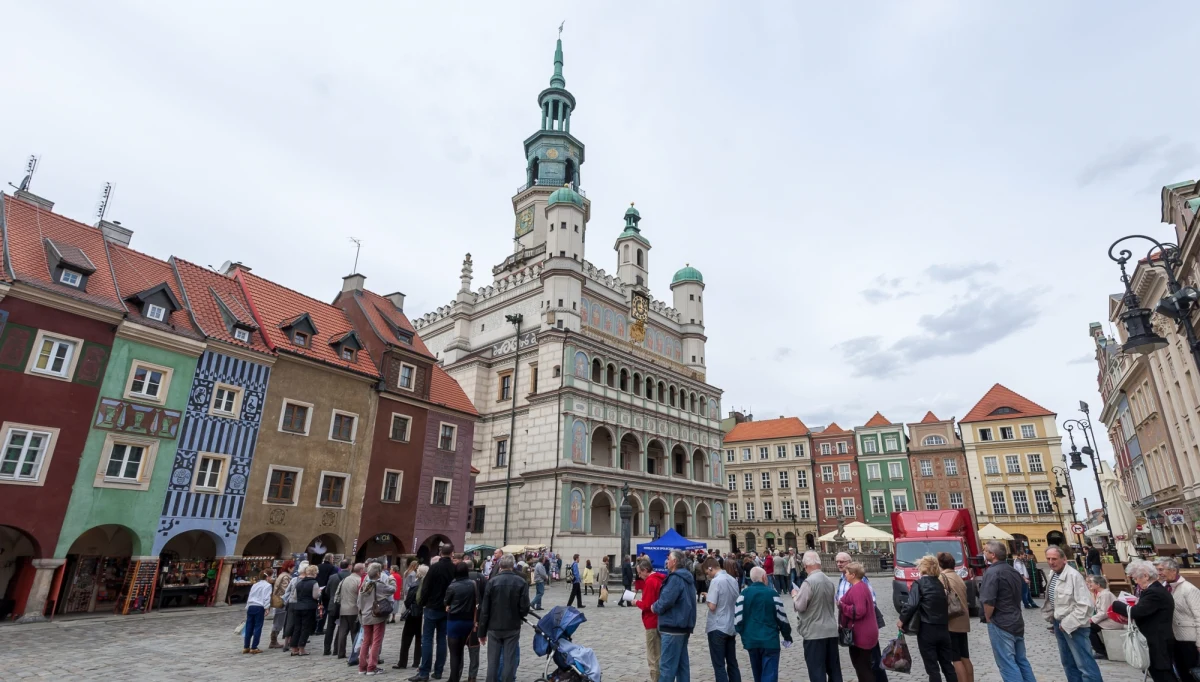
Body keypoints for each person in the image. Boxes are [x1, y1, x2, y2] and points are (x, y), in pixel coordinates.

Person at [1041, 545, 1102, 682]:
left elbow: (1086, 605)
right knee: (1068, 663)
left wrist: (1068, 623)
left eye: (1054, 558)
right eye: (1048, 558)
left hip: (1075, 625)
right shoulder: (1053, 574)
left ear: (1064, 559)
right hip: (1059, 623)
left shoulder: (1074, 576)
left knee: (1085, 664)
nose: (1051, 562)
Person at [979, 541, 1036, 682]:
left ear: (993, 555)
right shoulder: (1013, 571)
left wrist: (988, 617)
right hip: (1016, 620)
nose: (983, 553)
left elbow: (989, 600)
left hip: (1001, 622)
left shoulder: (992, 572)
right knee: (1021, 660)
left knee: (1007, 663)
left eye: (986, 551)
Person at [1113, 559, 1176, 682]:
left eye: (1136, 578)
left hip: (1158, 641)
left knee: (1163, 675)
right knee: (1159, 673)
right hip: (1156, 639)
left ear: (1146, 576)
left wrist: (1116, 604)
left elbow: (1137, 612)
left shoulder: (1154, 592)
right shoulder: (1154, 590)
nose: (1136, 582)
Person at [898, 555, 957, 682]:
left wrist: (902, 619)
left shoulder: (919, 584)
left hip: (927, 628)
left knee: (932, 667)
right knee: (947, 665)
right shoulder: (940, 583)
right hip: (943, 627)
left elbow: (912, 604)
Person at [479, 554, 530, 682]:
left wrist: (482, 632)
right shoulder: (521, 582)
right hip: (512, 626)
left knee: (493, 661)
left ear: (500, 566)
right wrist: (519, 614)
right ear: (513, 566)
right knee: (509, 659)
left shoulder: (492, 582)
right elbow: (525, 608)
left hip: (494, 626)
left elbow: (485, 609)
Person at [735, 565, 791, 682]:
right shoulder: (772, 594)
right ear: (764, 577)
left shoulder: (743, 595)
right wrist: (787, 636)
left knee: (758, 675)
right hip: (770, 640)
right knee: (769, 675)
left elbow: (738, 620)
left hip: (752, 640)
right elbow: (782, 618)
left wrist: (745, 636)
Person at [793, 550, 841, 682]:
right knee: (834, 670)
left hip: (814, 632)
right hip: (830, 630)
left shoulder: (809, 582)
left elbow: (800, 606)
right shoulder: (829, 580)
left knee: (817, 671)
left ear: (806, 565)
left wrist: (794, 596)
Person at [653, 549, 698, 682]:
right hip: (683, 627)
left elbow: (665, 601)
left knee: (667, 667)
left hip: (673, 626)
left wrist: (654, 606)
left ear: (675, 562)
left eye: (669, 558)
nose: (667, 560)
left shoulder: (675, 579)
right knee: (682, 666)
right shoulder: (687, 577)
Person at [412, 545, 455, 682]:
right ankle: (438, 671)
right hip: (447, 608)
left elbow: (426, 588)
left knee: (427, 640)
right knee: (442, 640)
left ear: (441, 553)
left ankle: (424, 672)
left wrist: (422, 603)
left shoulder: (434, 568)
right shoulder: (454, 568)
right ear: (452, 553)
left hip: (432, 607)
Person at [1156, 557, 1200, 682]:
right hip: (1174, 638)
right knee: (1182, 673)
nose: (1159, 573)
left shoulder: (1189, 589)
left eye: (1161, 569)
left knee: (1192, 674)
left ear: (1173, 570)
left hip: (1189, 640)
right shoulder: (1165, 587)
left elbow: (1199, 616)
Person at [838, 562, 879, 682]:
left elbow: (859, 611)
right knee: (864, 667)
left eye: (846, 573)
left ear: (853, 574)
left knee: (863, 669)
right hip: (866, 631)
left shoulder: (858, 589)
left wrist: (842, 606)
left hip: (861, 633)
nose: (845, 575)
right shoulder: (861, 586)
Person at [704, 557, 743, 682]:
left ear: (710, 568)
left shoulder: (716, 581)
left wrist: (707, 597)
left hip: (717, 625)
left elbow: (712, 606)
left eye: (707, 572)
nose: (708, 575)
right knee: (732, 662)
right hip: (731, 625)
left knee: (719, 664)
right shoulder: (732, 579)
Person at [937, 552, 972, 682]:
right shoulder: (958, 577)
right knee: (965, 657)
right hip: (963, 621)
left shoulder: (942, 578)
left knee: (955, 659)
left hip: (952, 622)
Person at [445, 561, 479, 682]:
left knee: (455, 653)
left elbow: (446, 602)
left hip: (454, 621)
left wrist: (448, 606)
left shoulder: (452, 586)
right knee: (467, 649)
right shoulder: (473, 584)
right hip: (468, 621)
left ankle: (454, 678)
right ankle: (470, 675)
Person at [635, 557, 666, 682]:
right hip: (660, 620)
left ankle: (656, 679)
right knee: (660, 653)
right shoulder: (660, 579)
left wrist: (636, 602)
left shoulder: (650, 581)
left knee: (653, 656)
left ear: (645, 570)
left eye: (639, 572)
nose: (639, 575)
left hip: (651, 621)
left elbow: (647, 605)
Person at [357, 562, 391, 676]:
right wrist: (392, 580)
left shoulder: (364, 585)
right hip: (377, 615)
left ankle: (362, 667)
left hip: (366, 615)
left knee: (365, 641)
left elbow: (359, 603)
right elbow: (392, 589)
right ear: (378, 573)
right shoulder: (379, 584)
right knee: (376, 642)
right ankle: (371, 667)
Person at [396, 563, 427, 669]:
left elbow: (408, 600)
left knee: (406, 638)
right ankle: (416, 661)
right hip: (422, 614)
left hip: (413, 613)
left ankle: (402, 662)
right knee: (419, 638)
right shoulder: (427, 584)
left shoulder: (415, 584)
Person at [1086, 575, 1120, 659]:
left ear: (1098, 585)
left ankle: (1100, 651)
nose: (1090, 584)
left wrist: (1092, 620)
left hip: (1112, 621)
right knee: (1089, 627)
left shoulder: (1105, 595)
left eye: (1092, 582)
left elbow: (1104, 612)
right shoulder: (1102, 594)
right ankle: (1100, 649)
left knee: (1089, 629)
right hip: (1107, 619)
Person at [291, 564, 321, 656]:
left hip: (297, 607)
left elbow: (295, 596)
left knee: (297, 628)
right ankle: (301, 648)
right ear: (315, 573)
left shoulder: (299, 583)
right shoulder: (314, 583)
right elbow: (315, 596)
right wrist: (320, 593)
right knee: (305, 628)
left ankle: (294, 648)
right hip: (309, 607)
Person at [335, 562, 364, 660]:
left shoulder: (345, 579)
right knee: (354, 632)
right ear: (360, 570)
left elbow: (338, 593)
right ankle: (355, 654)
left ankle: (341, 652)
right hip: (354, 609)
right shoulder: (359, 580)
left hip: (343, 609)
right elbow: (361, 596)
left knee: (342, 632)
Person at [323, 559, 352, 655]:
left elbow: (327, 591)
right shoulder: (351, 577)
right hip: (345, 606)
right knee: (341, 628)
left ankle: (326, 650)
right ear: (349, 566)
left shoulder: (332, 577)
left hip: (333, 605)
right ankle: (337, 649)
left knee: (330, 628)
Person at [243, 570, 273, 654]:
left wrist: (247, 606)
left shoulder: (255, 585)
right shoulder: (267, 585)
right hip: (259, 607)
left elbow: (250, 595)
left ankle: (246, 646)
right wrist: (267, 608)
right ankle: (254, 647)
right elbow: (266, 597)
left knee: (249, 626)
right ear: (267, 577)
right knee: (258, 627)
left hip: (251, 606)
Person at [269, 559, 294, 649]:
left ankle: (274, 640)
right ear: (289, 568)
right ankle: (273, 641)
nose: (294, 569)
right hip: (281, 601)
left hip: (280, 600)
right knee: (279, 621)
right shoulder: (285, 577)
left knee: (279, 621)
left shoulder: (282, 575)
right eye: (293, 567)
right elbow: (285, 590)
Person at [315, 554, 337, 635]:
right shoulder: (332, 568)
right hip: (326, 591)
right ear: (331, 558)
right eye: (333, 558)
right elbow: (332, 580)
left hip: (317, 589)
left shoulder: (318, 566)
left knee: (316, 609)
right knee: (324, 610)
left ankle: (314, 627)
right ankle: (320, 628)